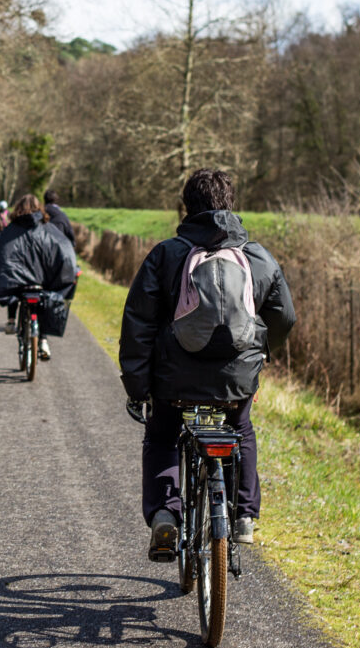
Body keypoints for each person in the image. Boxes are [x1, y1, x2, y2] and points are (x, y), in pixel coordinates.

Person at [119, 169, 295, 558]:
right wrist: (262, 352)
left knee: (162, 435)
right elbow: (284, 317)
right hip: (237, 379)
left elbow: (138, 324)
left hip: (174, 381)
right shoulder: (257, 257)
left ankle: (166, 512)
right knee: (240, 428)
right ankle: (245, 516)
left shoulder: (166, 254)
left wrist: (137, 386)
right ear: (231, 203)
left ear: (186, 207)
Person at [0, 194, 78, 360]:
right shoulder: (47, 229)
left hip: (19, 282)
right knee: (44, 302)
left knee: (13, 290)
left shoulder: (11, 230)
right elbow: (64, 250)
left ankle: (12, 321)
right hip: (40, 282)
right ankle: (43, 340)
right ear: (39, 208)